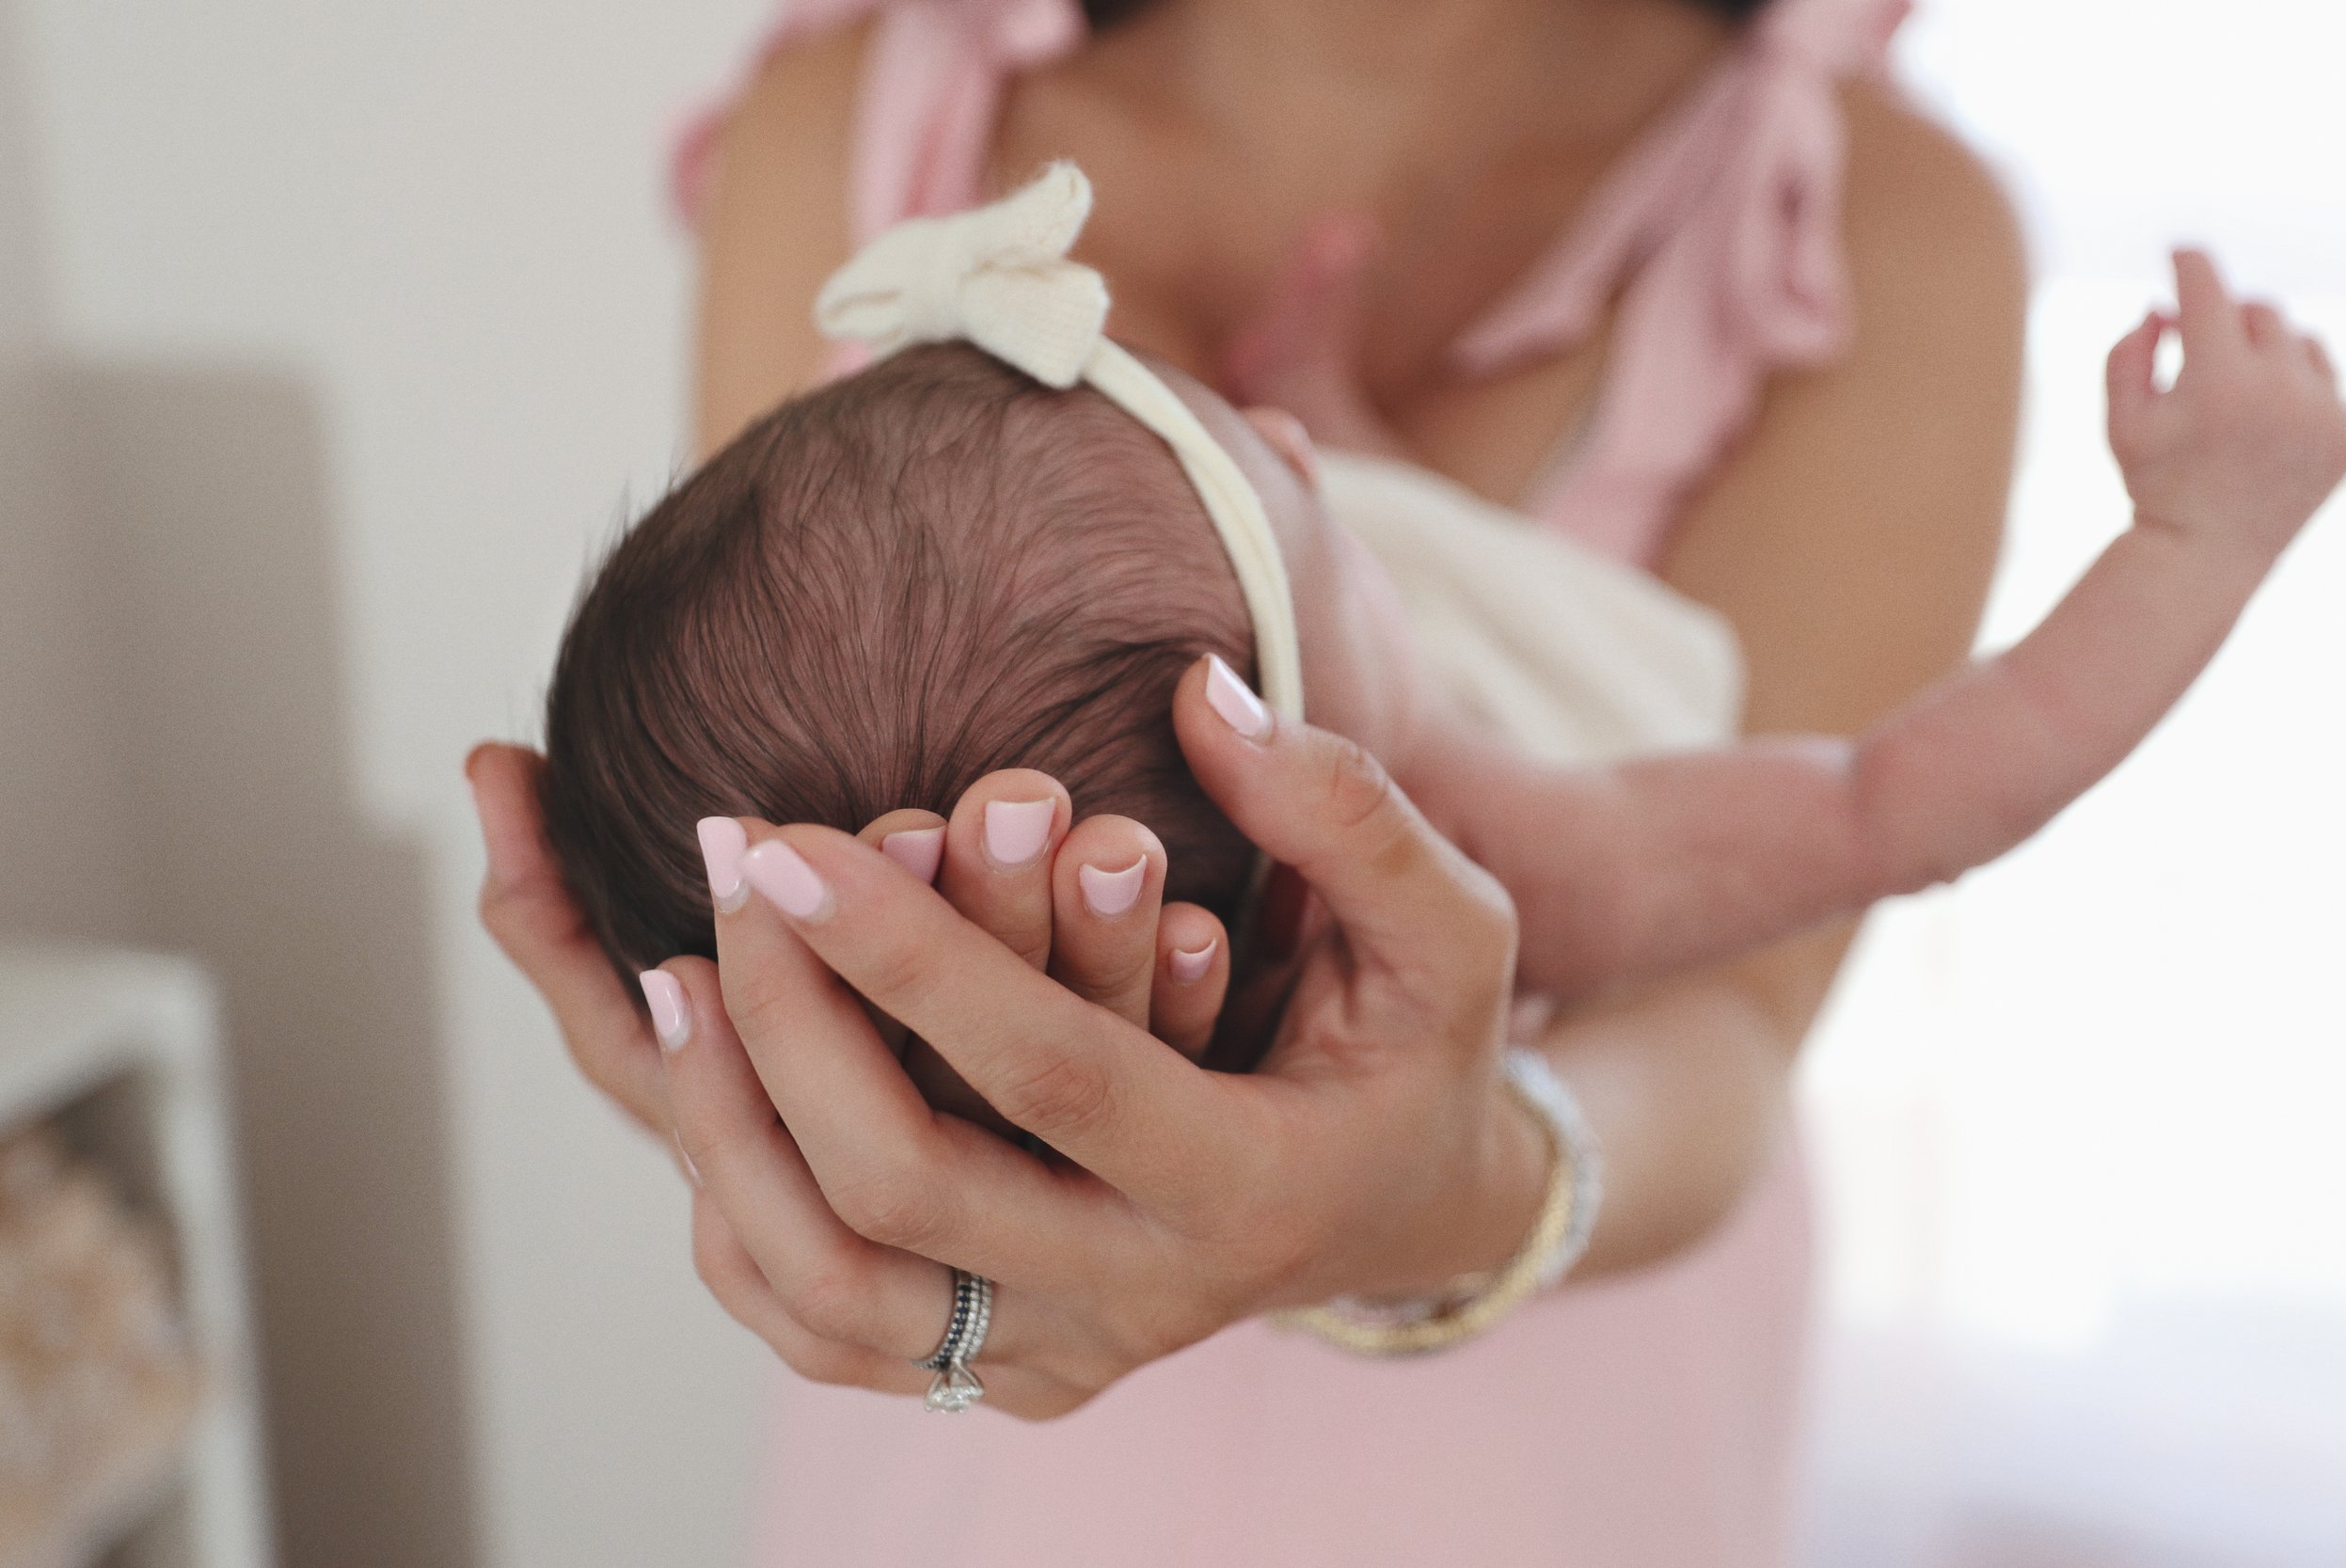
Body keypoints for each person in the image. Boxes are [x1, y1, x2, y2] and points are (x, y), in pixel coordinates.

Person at [474, 0, 2048, 1559]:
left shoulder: (1867, 224)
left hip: (1559, 1422)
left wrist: (1473, 1186)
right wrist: (807, 1089)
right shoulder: (845, 126)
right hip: (986, 1432)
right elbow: (766, 810)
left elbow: (1739, 1017)